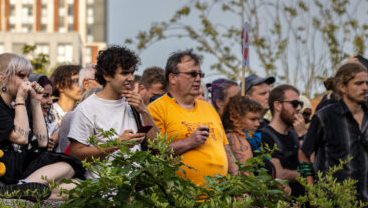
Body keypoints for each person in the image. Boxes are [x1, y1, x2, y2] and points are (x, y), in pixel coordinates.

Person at [0, 53, 81, 198]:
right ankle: (19, 189)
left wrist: (36, 102)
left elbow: (42, 141)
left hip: (19, 172)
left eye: (28, 76)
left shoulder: (19, 105)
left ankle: (19, 190)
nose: (27, 81)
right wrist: (20, 99)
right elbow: (21, 137)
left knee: (76, 186)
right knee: (66, 178)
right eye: (22, 76)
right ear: (2, 78)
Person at [300, 62, 368, 208]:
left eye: (367, 83)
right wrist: (312, 192)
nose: (365, 87)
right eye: (359, 83)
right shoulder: (324, 117)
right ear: (342, 87)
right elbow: (303, 154)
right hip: (332, 207)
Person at [67, 45, 158, 177]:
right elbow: (77, 154)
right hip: (103, 191)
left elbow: (158, 146)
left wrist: (144, 111)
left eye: (132, 72)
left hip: (135, 191)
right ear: (106, 75)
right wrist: (117, 144)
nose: (131, 78)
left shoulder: (134, 104)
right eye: (125, 73)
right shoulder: (86, 108)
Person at [148, 50, 233, 189]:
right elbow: (156, 152)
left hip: (218, 199)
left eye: (200, 74)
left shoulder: (208, 108)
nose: (198, 79)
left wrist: (239, 187)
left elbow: (226, 149)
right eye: (192, 74)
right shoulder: (156, 109)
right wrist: (189, 142)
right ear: (173, 78)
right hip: (181, 200)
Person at [257, 85, 304, 193]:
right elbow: (279, 174)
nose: (299, 108)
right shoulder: (264, 136)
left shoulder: (296, 134)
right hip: (284, 205)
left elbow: (312, 162)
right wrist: (307, 174)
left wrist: (302, 136)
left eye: (300, 104)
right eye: (294, 104)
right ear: (277, 105)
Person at [221, 96, 267, 167]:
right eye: (253, 119)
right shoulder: (235, 138)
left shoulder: (247, 137)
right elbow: (246, 173)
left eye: (258, 119)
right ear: (237, 117)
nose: (257, 124)